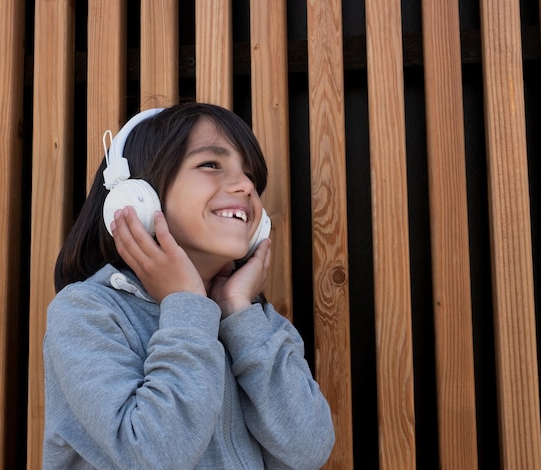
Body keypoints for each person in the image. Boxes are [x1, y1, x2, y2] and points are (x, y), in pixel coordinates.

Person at [42, 102, 335, 469]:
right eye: (211, 164)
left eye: (251, 176)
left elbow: (308, 450)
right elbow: (153, 454)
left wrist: (238, 313)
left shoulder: (255, 322)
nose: (245, 185)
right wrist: (186, 306)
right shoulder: (87, 312)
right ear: (137, 196)